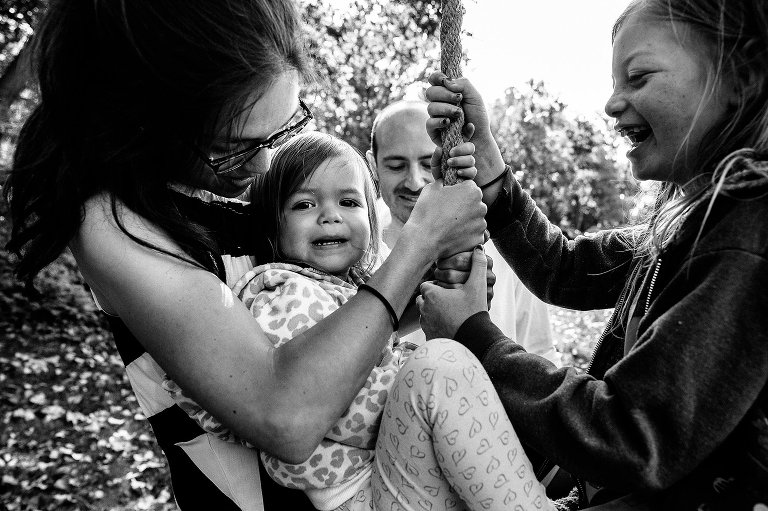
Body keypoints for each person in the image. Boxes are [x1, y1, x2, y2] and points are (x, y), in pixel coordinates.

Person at [3, 1, 488, 509]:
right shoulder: (111, 222)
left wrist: (430, 287)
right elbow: (285, 413)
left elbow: (334, 330)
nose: (262, 165)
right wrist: (417, 247)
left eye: (279, 132)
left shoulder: (215, 181)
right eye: (232, 145)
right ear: (146, 116)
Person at [420, 0, 768, 508]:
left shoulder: (749, 232)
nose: (611, 104)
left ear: (742, 78)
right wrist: (492, 171)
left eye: (639, 77)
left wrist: (474, 334)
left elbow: (631, 434)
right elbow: (562, 268)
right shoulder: (681, 230)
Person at [164, 131, 554, 511]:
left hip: (396, 472)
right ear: (271, 225)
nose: (330, 217)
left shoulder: (343, 293)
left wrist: (444, 287)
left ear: (370, 220)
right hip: (364, 493)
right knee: (441, 370)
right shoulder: (281, 293)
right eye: (304, 205)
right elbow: (348, 413)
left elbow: (380, 335)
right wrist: (432, 381)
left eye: (348, 202)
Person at [367, 99, 560, 365]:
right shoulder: (353, 242)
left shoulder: (504, 236)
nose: (414, 182)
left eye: (427, 163)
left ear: (449, 160)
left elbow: (539, 348)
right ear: (373, 166)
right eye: (396, 166)